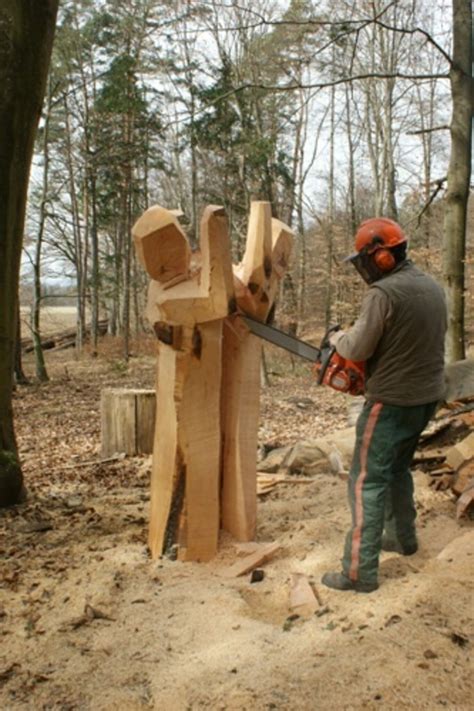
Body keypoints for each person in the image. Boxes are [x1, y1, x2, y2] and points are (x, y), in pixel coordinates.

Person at [321, 217, 447, 593]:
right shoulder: (432, 286)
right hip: (426, 399)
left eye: (365, 259)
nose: (364, 268)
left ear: (382, 257)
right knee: (396, 471)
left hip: (390, 402)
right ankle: (403, 538)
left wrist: (337, 337)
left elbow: (357, 347)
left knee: (365, 481)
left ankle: (358, 572)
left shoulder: (383, 294)